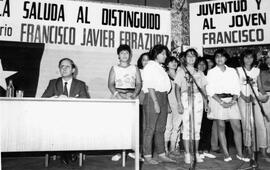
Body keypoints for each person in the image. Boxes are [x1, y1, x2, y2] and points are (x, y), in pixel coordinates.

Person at [42, 58, 90, 165]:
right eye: (61, 67)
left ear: (73, 70)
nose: (64, 69)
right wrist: (57, 97)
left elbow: (87, 103)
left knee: (74, 124)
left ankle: (70, 151)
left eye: (67, 66)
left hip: (75, 119)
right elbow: (43, 99)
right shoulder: (53, 83)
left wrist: (71, 99)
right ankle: (65, 152)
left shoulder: (80, 84)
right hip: (56, 119)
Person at [206, 48, 249, 162]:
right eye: (217, 57)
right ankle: (226, 153)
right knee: (221, 127)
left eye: (222, 56)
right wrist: (221, 102)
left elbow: (236, 87)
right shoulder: (211, 72)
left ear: (226, 58)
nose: (219, 59)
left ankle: (240, 153)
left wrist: (233, 100)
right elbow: (210, 90)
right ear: (215, 59)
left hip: (232, 100)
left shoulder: (232, 71)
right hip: (217, 100)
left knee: (237, 127)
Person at [108, 44, 142, 161]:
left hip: (131, 97)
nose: (124, 55)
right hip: (118, 97)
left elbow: (138, 83)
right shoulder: (114, 68)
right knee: (118, 125)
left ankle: (131, 151)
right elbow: (110, 84)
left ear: (130, 55)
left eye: (126, 53)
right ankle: (119, 151)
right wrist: (118, 95)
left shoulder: (135, 68)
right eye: (122, 53)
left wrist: (133, 95)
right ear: (118, 55)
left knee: (132, 126)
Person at [142, 44, 175, 164]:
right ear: (156, 54)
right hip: (152, 97)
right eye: (163, 54)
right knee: (150, 128)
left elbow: (165, 89)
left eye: (166, 54)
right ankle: (147, 156)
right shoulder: (150, 66)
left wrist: (167, 104)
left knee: (161, 129)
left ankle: (161, 154)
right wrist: (155, 102)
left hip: (163, 97)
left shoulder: (161, 68)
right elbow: (150, 86)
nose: (165, 56)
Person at [174, 49, 207, 164]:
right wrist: (179, 103)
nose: (191, 58)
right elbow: (177, 88)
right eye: (188, 56)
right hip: (185, 98)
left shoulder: (199, 72)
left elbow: (203, 89)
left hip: (198, 99)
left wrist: (206, 102)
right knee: (187, 128)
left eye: (193, 56)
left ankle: (196, 152)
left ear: (196, 58)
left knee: (197, 128)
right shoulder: (181, 71)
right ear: (185, 58)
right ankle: (187, 153)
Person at [195, 58, 216, 159]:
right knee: (199, 127)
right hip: (198, 102)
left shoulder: (209, 75)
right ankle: (198, 149)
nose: (202, 66)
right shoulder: (194, 75)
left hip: (209, 102)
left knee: (208, 126)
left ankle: (206, 149)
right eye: (199, 64)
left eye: (204, 64)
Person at [164, 56, 182, 156]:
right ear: (167, 64)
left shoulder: (180, 75)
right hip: (168, 104)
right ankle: (165, 148)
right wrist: (167, 105)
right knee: (168, 127)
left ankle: (173, 148)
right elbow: (164, 92)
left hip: (179, 104)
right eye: (171, 62)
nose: (174, 63)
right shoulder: (165, 75)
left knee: (177, 127)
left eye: (175, 62)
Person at [258, 54, 270, 156]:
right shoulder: (261, 71)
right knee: (267, 123)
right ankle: (267, 147)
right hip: (266, 95)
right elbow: (261, 86)